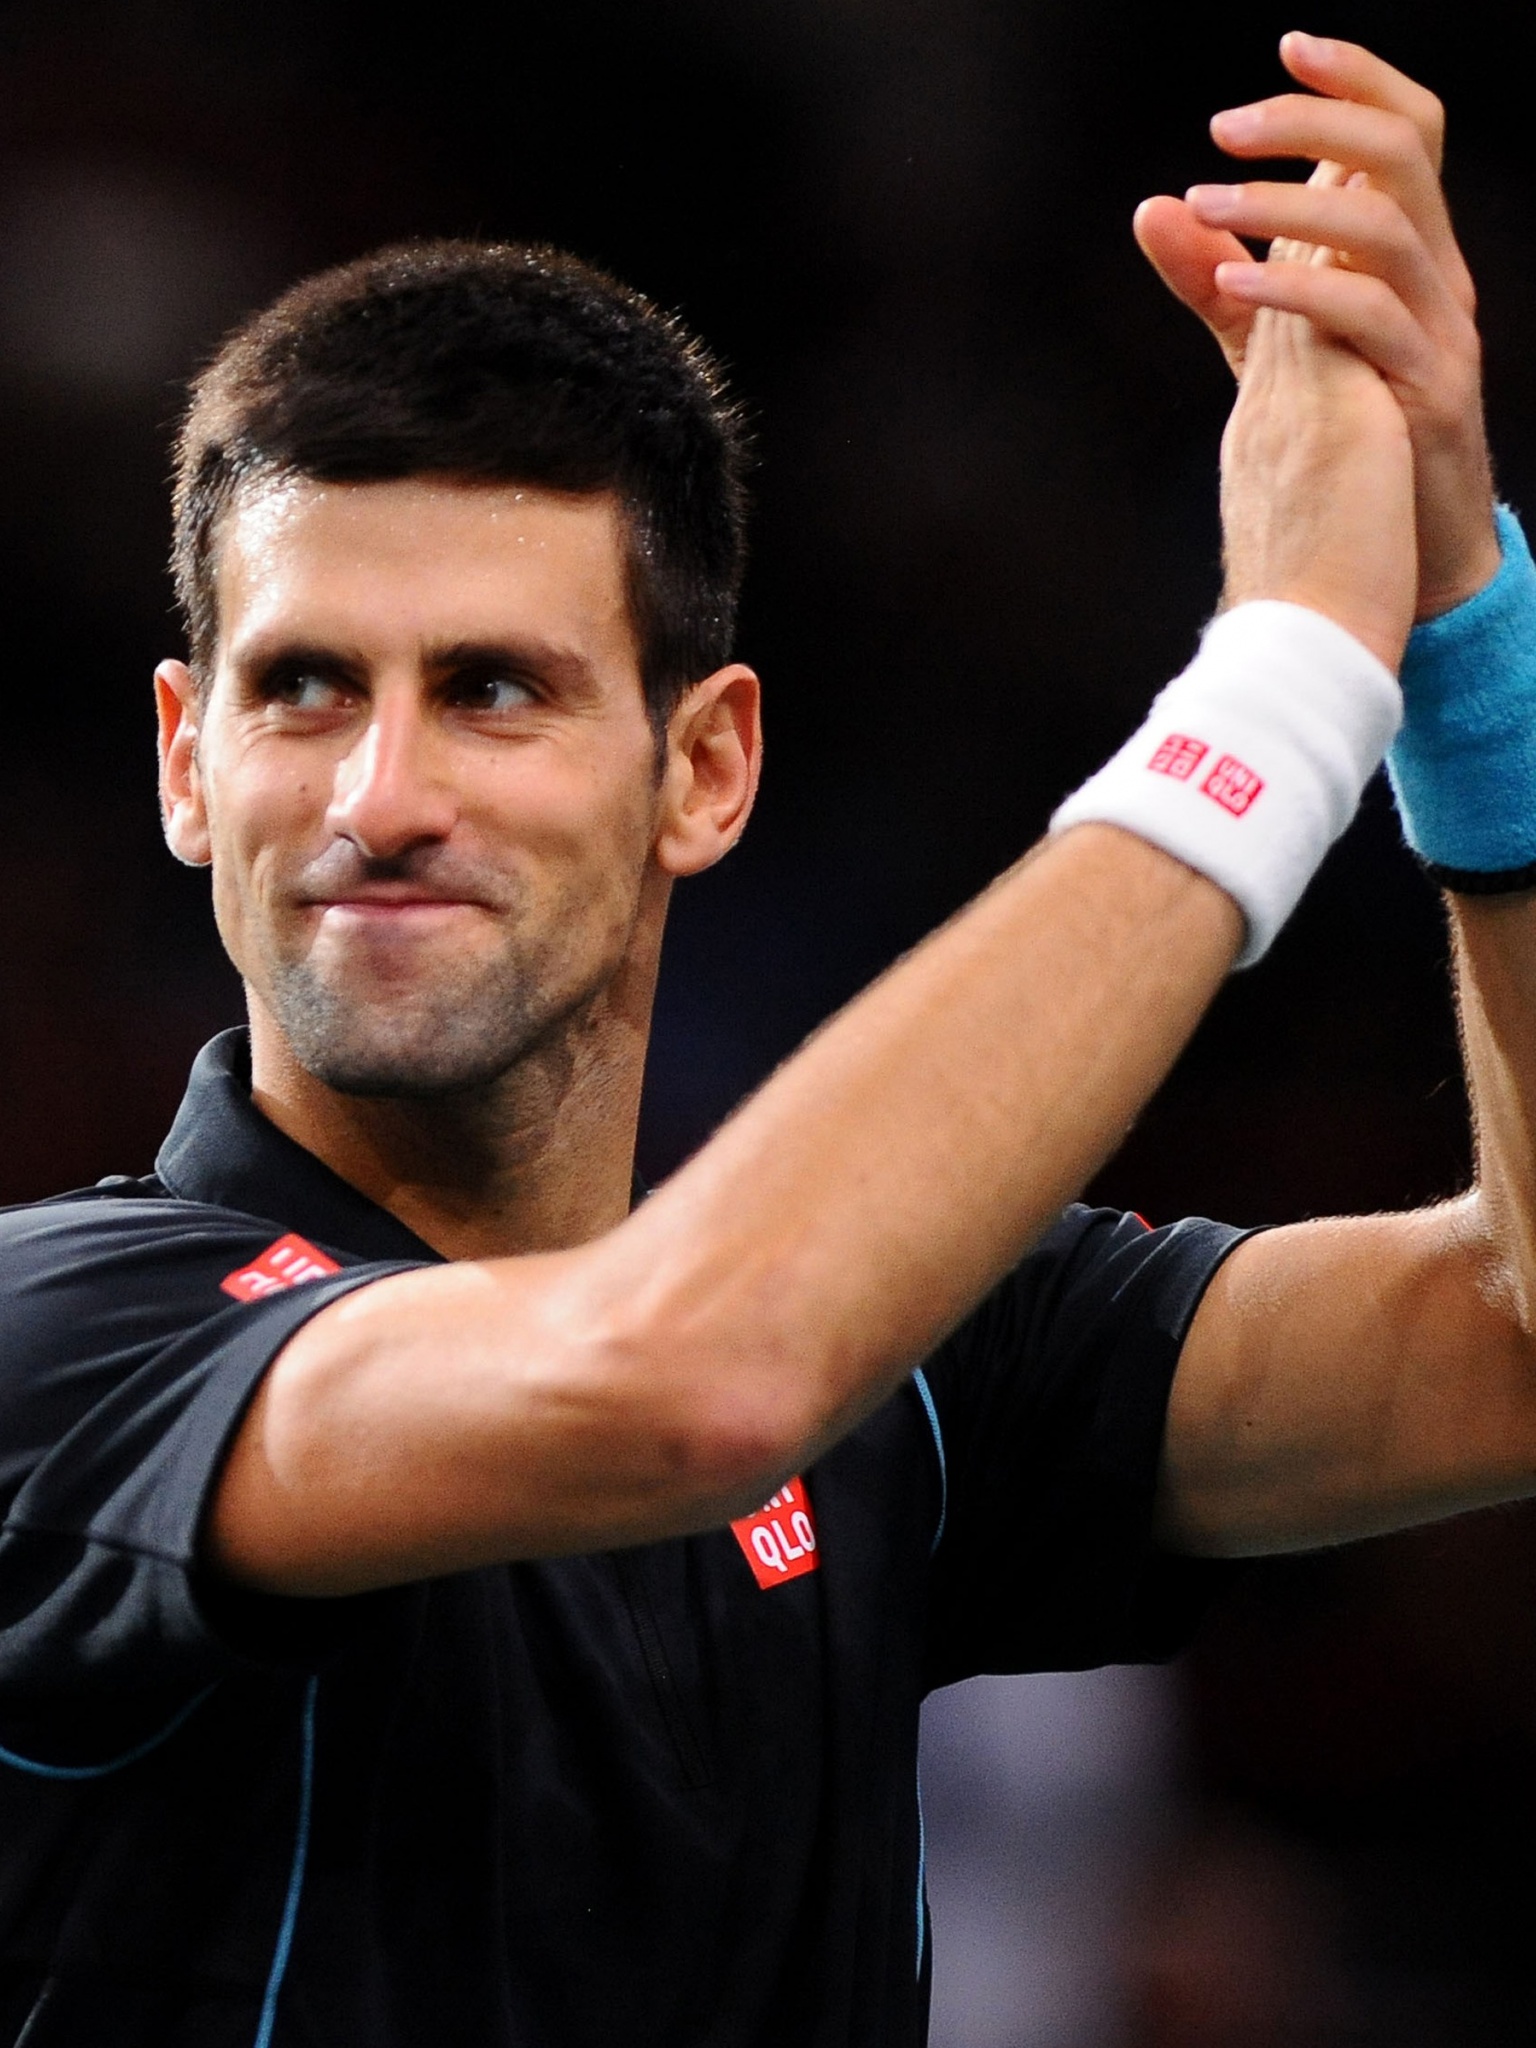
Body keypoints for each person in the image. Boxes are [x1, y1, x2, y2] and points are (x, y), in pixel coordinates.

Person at [0, 30, 1527, 2047]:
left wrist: (1462, 646)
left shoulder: (899, 1366)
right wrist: (1287, 665)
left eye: (492, 691)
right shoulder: (61, 1342)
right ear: (187, 767)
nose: (378, 790)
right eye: (300, 690)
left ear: (706, 770)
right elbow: (693, 1375)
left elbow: (1509, 1344)